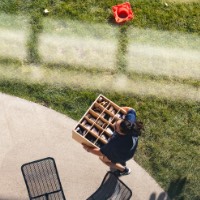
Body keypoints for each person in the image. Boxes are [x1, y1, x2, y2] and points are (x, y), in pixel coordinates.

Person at [82, 107, 144, 176]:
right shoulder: (130, 124)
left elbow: (100, 153)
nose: (114, 125)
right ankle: (122, 163)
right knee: (120, 158)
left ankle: (124, 170)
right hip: (130, 149)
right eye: (117, 123)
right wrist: (119, 109)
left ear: (120, 133)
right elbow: (131, 110)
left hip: (123, 155)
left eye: (115, 127)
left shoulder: (115, 143)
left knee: (103, 159)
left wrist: (88, 149)